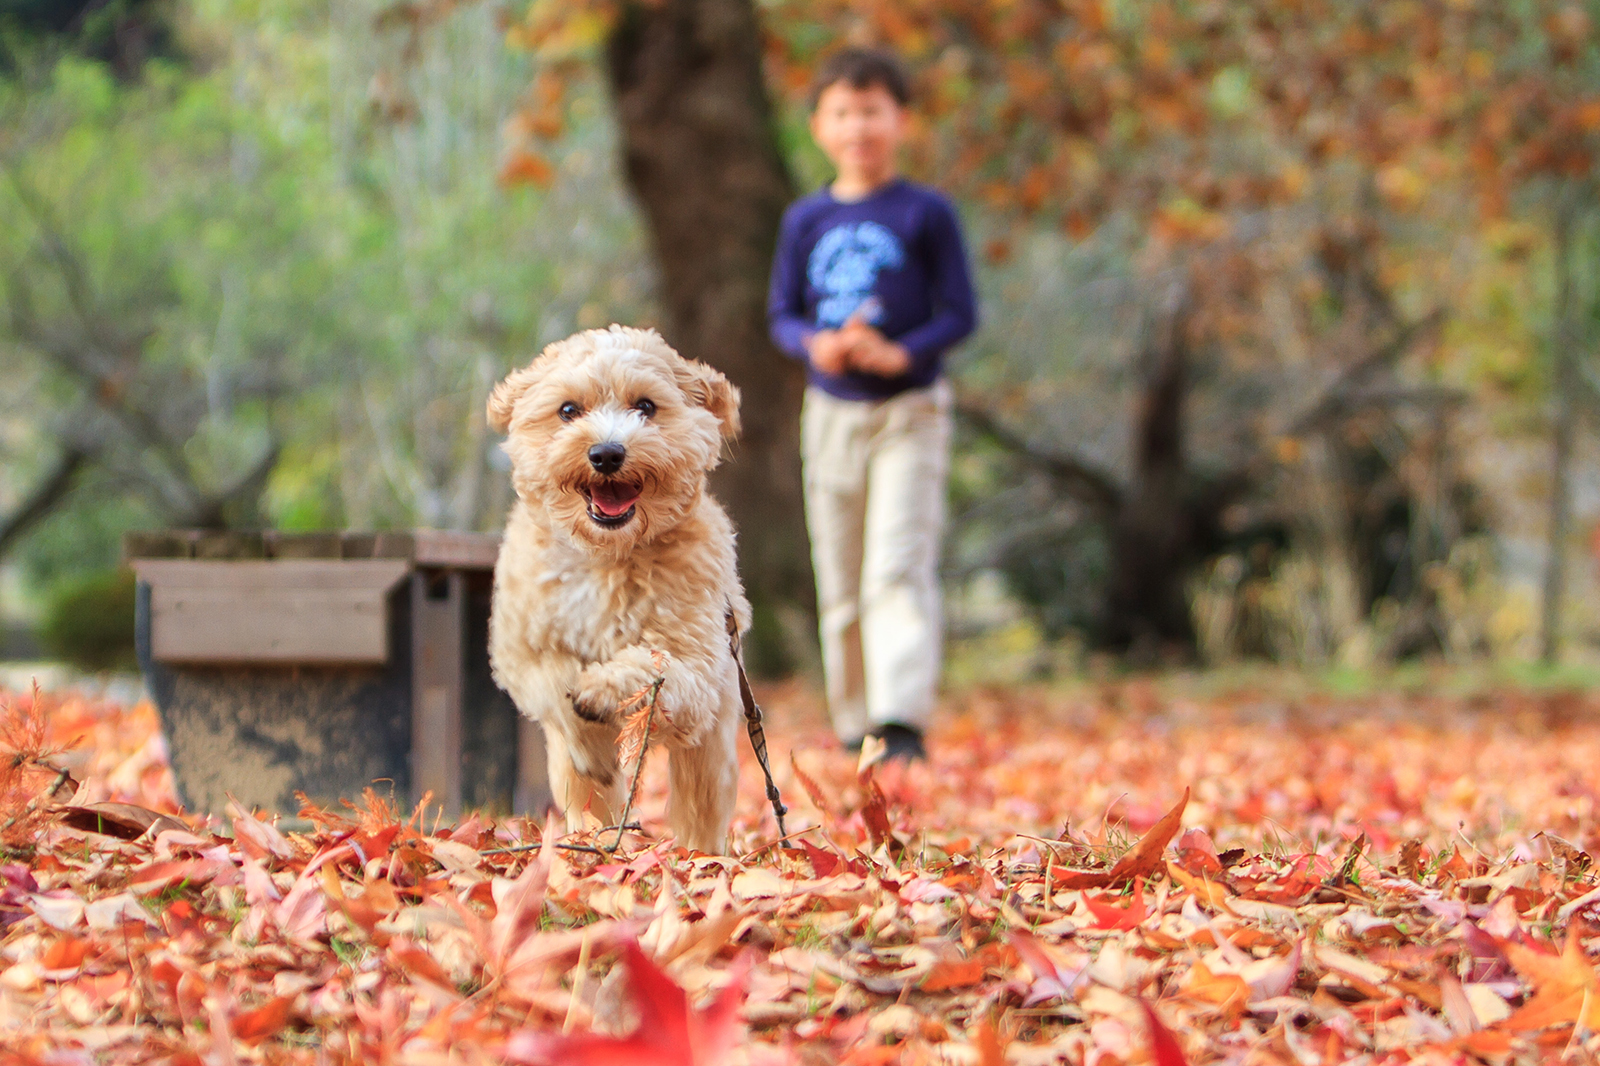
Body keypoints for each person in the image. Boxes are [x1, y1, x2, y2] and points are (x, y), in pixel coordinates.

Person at [767, 47, 978, 762]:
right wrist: (814, 345)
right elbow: (782, 314)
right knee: (842, 573)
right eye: (843, 112)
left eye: (873, 111)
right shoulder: (806, 219)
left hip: (907, 411)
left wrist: (903, 352)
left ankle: (902, 721)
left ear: (901, 120)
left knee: (896, 564)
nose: (859, 125)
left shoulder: (926, 213)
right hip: (830, 413)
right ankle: (855, 723)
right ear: (820, 127)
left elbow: (960, 312)